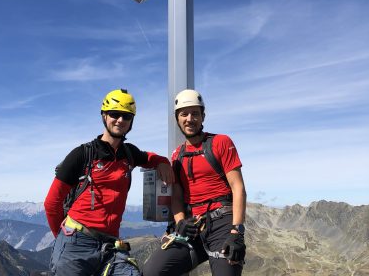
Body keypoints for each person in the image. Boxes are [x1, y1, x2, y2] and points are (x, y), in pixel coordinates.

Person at [44, 88, 174, 276]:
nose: (120, 120)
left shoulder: (129, 154)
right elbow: (52, 203)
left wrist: (163, 162)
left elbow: (150, 157)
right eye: (115, 114)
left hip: (110, 245)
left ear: (131, 121)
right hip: (76, 241)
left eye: (126, 116)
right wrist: (63, 239)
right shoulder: (82, 155)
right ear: (104, 116)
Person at [142, 89, 247, 276]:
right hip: (193, 226)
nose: (189, 118)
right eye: (184, 114)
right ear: (177, 119)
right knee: (152, 271)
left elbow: (238, 187)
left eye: (195, 113)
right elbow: (177, 195)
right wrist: (180, 221)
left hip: (223, 223)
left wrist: (236, 232)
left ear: (203, 116)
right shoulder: (177, 155)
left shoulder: (221, 142)